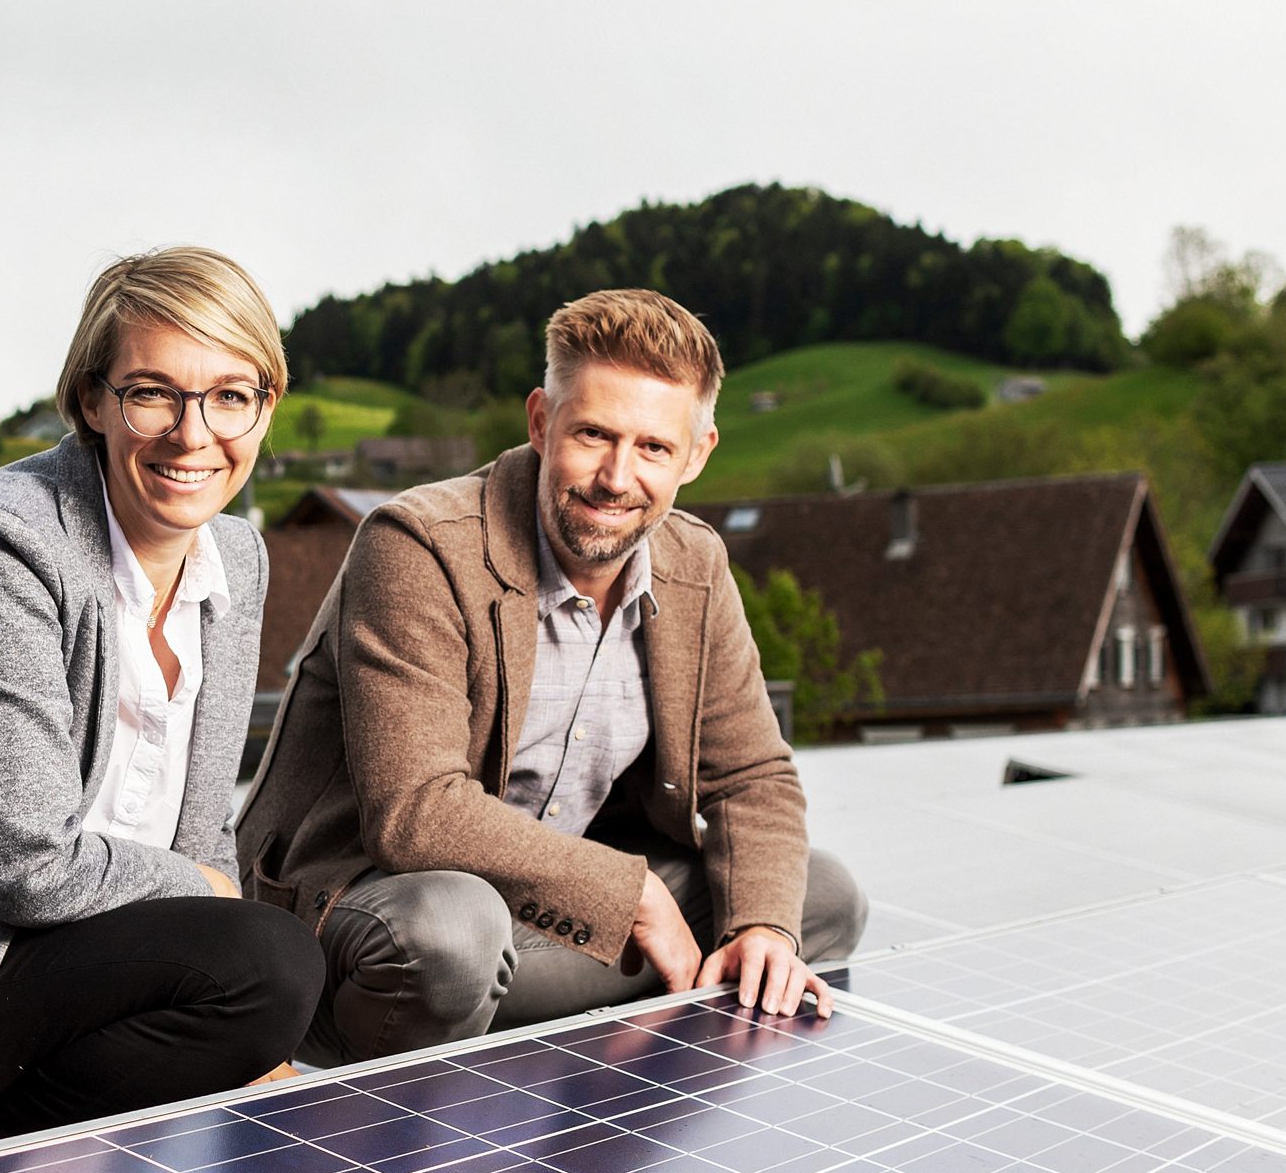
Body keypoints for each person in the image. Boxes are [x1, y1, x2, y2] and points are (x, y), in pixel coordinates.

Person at [238, 287, 866, 1067]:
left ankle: (590, 1067)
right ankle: (406, 1070)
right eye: (593, 435)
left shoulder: (694, 564)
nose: (616, 477)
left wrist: (761, 929)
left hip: (537, 912)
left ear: (699, 452)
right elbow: (416, 814)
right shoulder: (418, 545)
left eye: (653, 449)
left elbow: (752, 777)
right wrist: (632, 898)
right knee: (453, 936)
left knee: (811, 897)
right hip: (368, 914)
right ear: (540, 421)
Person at [0, 247, 323, 1140]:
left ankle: (24, 1153)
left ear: (264, 407)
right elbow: (26, 869)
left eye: (230, 396)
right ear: (93, 399)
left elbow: (204, 831)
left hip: (77, 951)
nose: (193, 433)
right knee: (271, 960)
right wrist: (211, 901)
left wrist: (249, 1031)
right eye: (153, 391)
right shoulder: (4, 543)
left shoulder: (236, 555)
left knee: (272, 973)